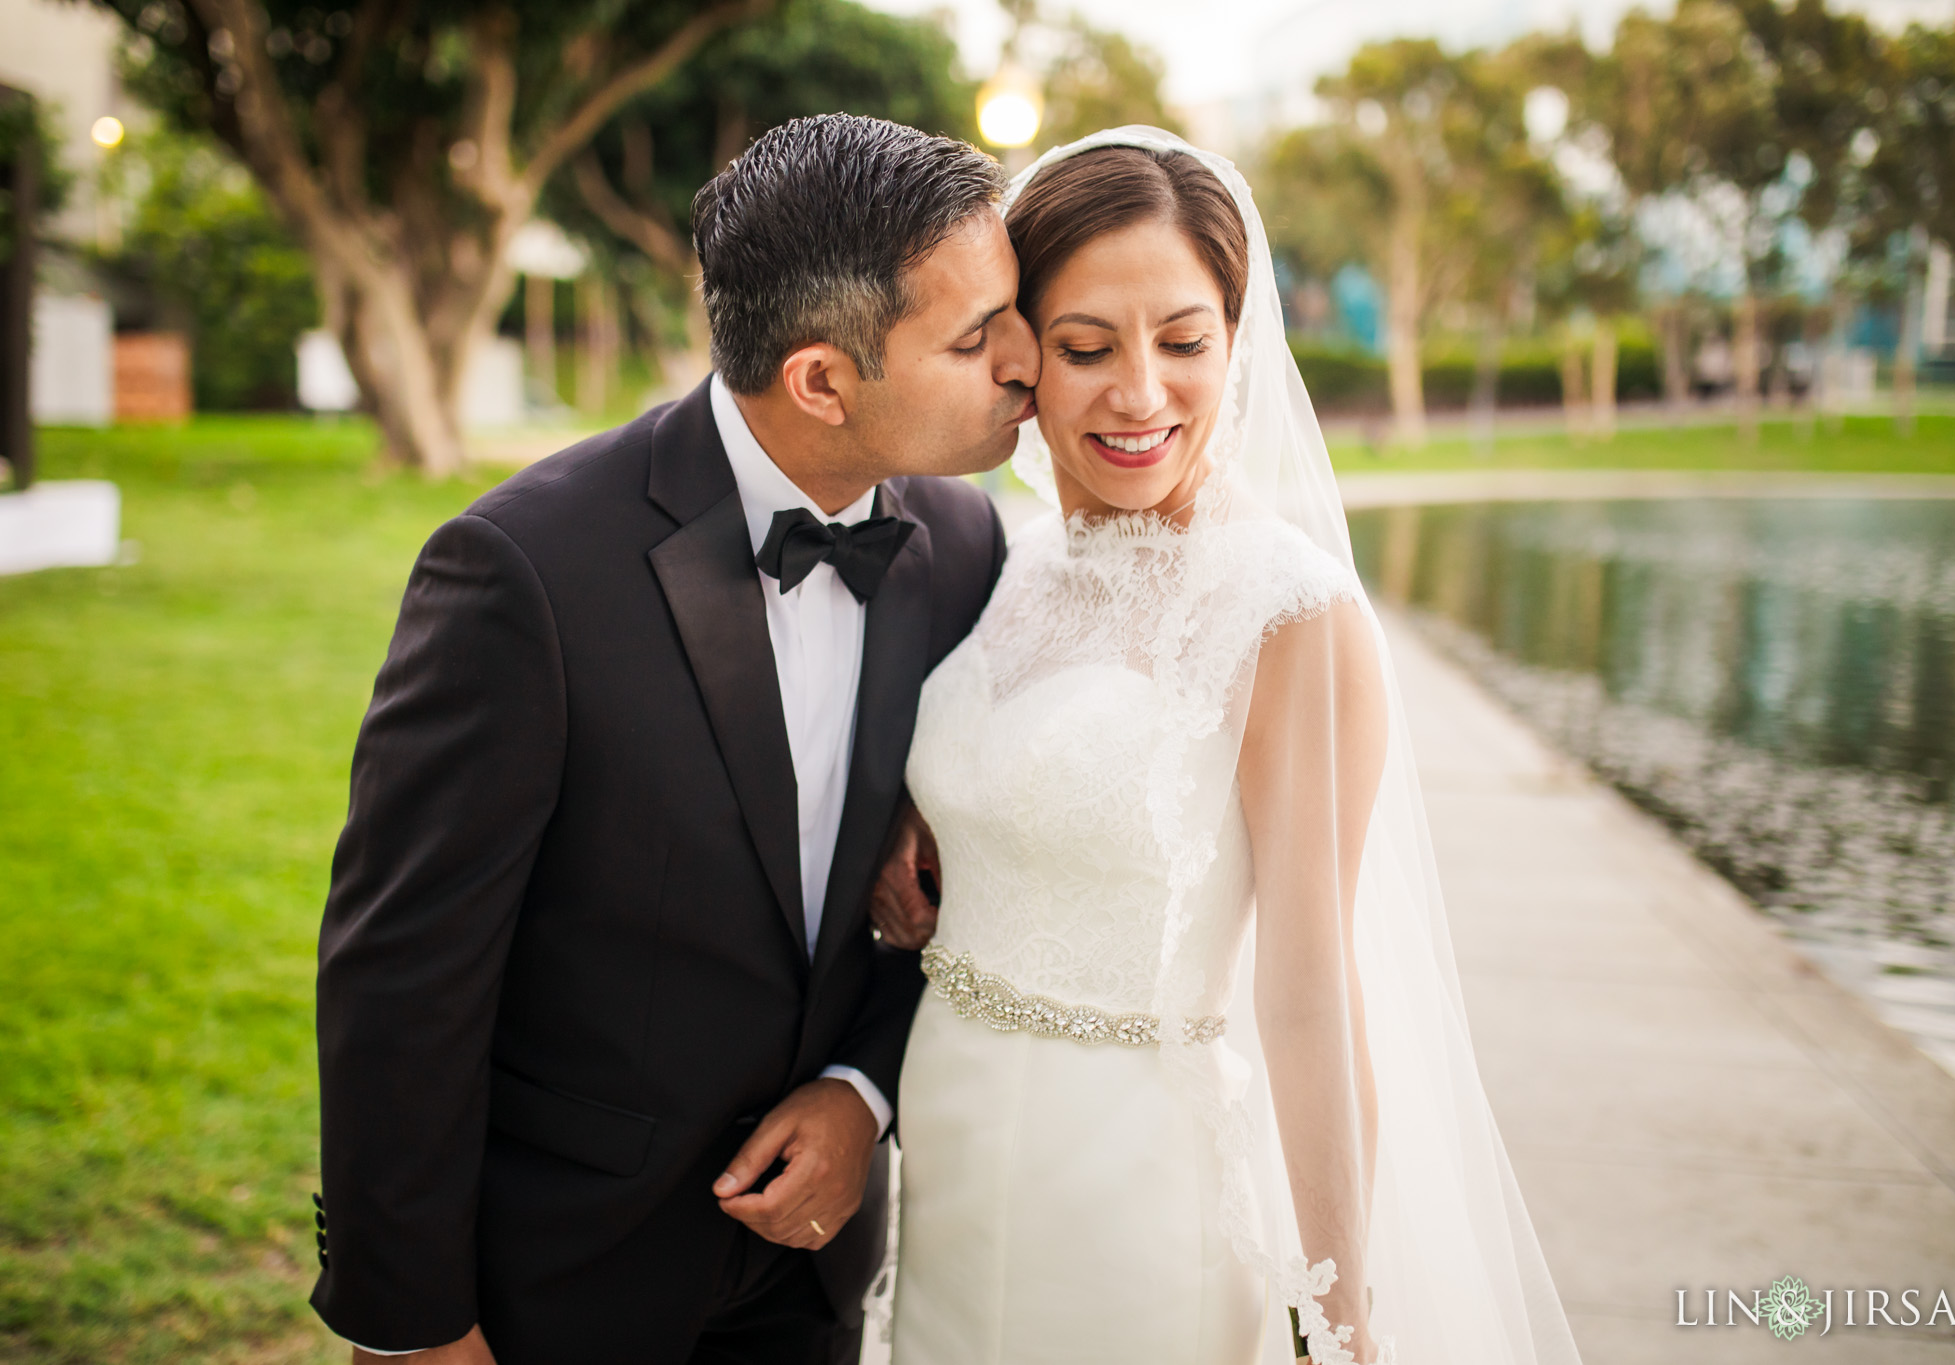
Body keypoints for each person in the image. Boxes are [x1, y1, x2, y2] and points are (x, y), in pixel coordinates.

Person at [309, 114, 1038, 1365]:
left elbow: (970, 889)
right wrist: (414, 1330)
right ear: (821, 379)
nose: (1027, 359)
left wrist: (864, 1092)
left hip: (813, 1281)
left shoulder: (964, 548)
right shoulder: (521, 575)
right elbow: (401, 978)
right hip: (559, 1277)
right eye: (975, 337)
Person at [867, 129, 1586, 1365]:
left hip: (1133, 1192)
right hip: (947, 1154)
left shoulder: (1284, 611)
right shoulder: (1011, 560)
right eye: (1086, 348)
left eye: (1184, 342)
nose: (1138, 393)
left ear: (1237, 345)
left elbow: (1309, 992)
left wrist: (1336, 1313)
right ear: (1021, 349)